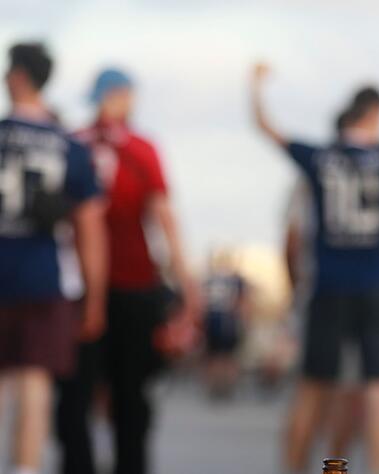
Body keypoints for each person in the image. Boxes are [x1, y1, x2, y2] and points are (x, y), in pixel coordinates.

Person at [252, 32, 379, 474]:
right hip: (377, 281)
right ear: (376, 114)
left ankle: (295, 467)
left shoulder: (320, 156)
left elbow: (266, 126)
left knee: (313, 387)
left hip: (328, 282)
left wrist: (256, 84)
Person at [57, 68, 200, 474]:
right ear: (119, 96)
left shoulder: (72, 144)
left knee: (74, 397)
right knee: (131, 397)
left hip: (77, 287)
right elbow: (164, 219)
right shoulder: (140, 148)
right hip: (134, 283)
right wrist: (188, 284)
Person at [0, 42, 107, 474]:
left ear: (19, 76)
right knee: (35, 379)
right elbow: (91, 231)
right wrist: (95, 297)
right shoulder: (71, 148)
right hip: (44, 277)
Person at [203, 248, 249, 398]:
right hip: (228, 321)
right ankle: (226, 387)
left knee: (214, 356)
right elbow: (242, 302)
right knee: (228, 357)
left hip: (214, 320)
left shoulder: (210, 279)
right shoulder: (236, 279)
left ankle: (215, 387)